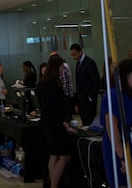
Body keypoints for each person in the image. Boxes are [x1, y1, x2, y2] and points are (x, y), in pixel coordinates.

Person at [101, 58, 132, 188]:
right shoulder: (113, 96)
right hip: (119, 149)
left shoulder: (129, 95)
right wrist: (122, 158)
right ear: (125, 76)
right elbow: (112, 129)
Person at [37, 54, 78, 188]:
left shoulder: (42, 83)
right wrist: (66, 124)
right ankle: (54, 185)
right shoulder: (52, 85)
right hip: (56, 125)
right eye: (61, 68)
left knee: (54, 155)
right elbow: (57, 107)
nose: (62, 71)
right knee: (65, 156)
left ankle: (52, 184)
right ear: (56, 68)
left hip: (48, 123)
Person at [70, 43, 101, 126]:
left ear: (80, 52)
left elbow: (96, 81)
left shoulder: (89, 63)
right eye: (72, 55)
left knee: (90, 120)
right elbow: (78, 83)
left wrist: (91, 97)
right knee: (84, 121)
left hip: (88, 97)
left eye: (75, 55)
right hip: (81, 98)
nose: (73, 57)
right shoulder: (78, 64)